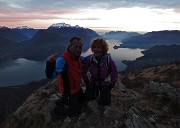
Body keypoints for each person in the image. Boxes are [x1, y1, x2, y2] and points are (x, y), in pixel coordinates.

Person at [45, 36, 84, 121]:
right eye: (75, 46)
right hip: (68, 92)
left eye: (80, 47)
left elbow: (87, 59)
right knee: (75, 113)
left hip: (76, 89)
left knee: (83, 101)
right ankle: (56, 110)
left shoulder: (78, 58)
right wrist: (49, 64)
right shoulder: (62, 60)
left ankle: (63, 101)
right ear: (69, 47)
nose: (78, 49)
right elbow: (51, 75)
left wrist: (100, 54)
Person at [82, 38, 118, 116]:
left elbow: (114, 73)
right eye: (94, 47)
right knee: (88, 97)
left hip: (104, 85)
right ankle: (94, 93)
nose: (96, 49)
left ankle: (102, 95)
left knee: (105, 102)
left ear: (103, 49)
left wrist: (110, 86)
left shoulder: (108, 60)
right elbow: (83, 71)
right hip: (93, 83)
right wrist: (87, 83)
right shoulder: (90, 59)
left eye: (99, 47)